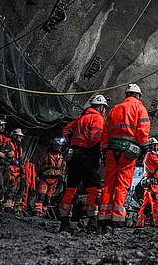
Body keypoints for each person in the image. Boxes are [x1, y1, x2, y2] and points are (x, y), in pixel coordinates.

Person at [99, 84, 151, 228]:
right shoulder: (140, 108)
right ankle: (117, 219)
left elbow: (105, 132)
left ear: (127, 94)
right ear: (138, 95)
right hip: (128, 151)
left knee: (108, 183)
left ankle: (103, 217)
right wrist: (144, 148)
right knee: (122, 185)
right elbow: (142, 132)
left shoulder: (115, 109)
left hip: (111, 150)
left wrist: (104, 150)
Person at [59, 94, 108, 232]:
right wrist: (100, 152)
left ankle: (64, 223)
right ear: (101, 107)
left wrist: (72, 143)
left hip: (74, 156)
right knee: (95, 189)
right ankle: (92, 222)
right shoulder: (97, 118)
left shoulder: (80, 119)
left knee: (71, 188)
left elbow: (66, 130)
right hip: (89, 156)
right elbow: (95, 138)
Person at [135, 137, 158, 228]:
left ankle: (139, 223)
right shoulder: (150, 155)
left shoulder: (150, 155)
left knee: (145, 204)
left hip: (150, 183)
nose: (155, 146)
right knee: (155, 202)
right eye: (154, 145)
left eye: (156, 145)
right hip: (152, 184)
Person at [34, 137, 66, 217]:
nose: (58, 147)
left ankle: (42, 214)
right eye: (56, 146)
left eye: (59, 146)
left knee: (47, 199)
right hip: (45, 179)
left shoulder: (61, 158)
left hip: (54, 181)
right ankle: (36, 213)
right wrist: (37, 175)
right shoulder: (46, 156)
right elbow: (38, 166)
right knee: (41, 196)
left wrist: (61, 175)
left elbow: (63, 168)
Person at [5, 128, 25, 212]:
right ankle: (7, 207)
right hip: (10, 169)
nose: (20, 139)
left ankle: (10, 207)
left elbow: (19, 159)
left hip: (16, 171)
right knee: (10, 188)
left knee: (15, 189)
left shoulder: (19, 148)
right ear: (15, 136)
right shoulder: (9, 143)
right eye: (19, 137)